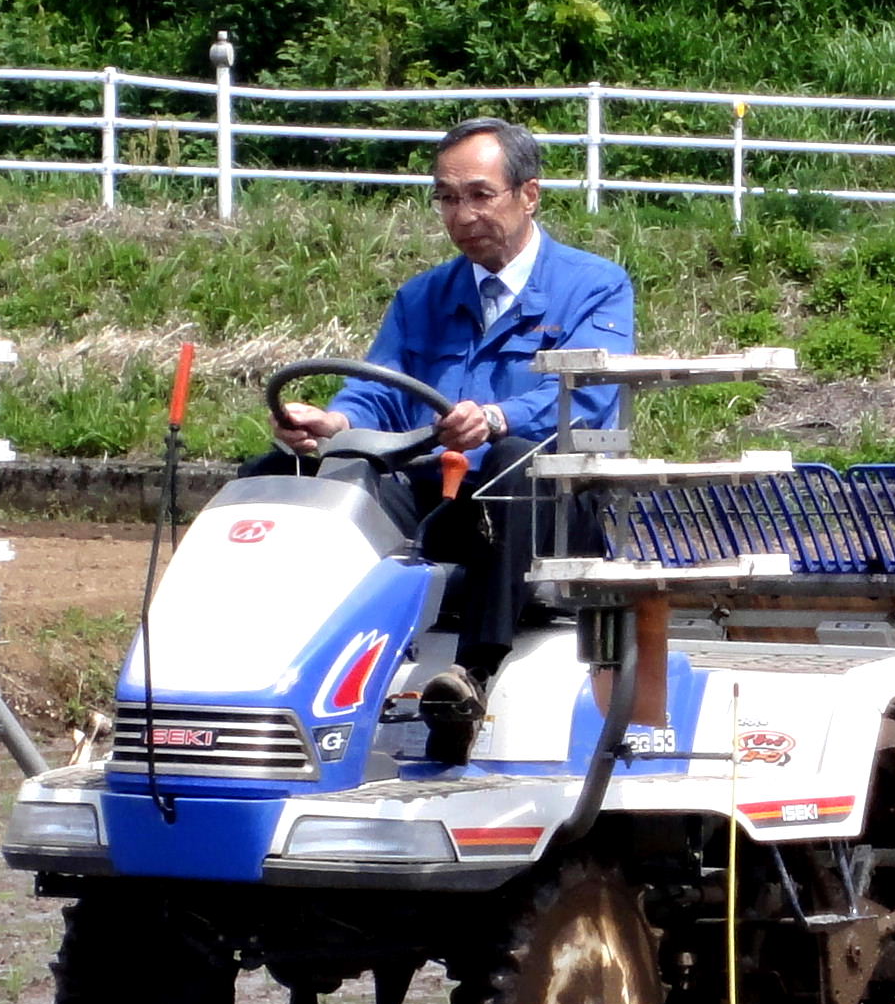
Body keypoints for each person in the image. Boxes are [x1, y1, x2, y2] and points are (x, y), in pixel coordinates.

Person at [258, 117, 634, 755]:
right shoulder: (422, 297)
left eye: (480, 195)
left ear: (528, 195)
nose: (462, 214)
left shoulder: (594, 287)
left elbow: (587, 395)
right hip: (440, 496)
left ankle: (473, 671)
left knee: (513, 461)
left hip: (547, 504)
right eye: (447, 197)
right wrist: (335, 423)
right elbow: (379, 388)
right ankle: (263, 650)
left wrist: (496, 417)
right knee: (276, 471)